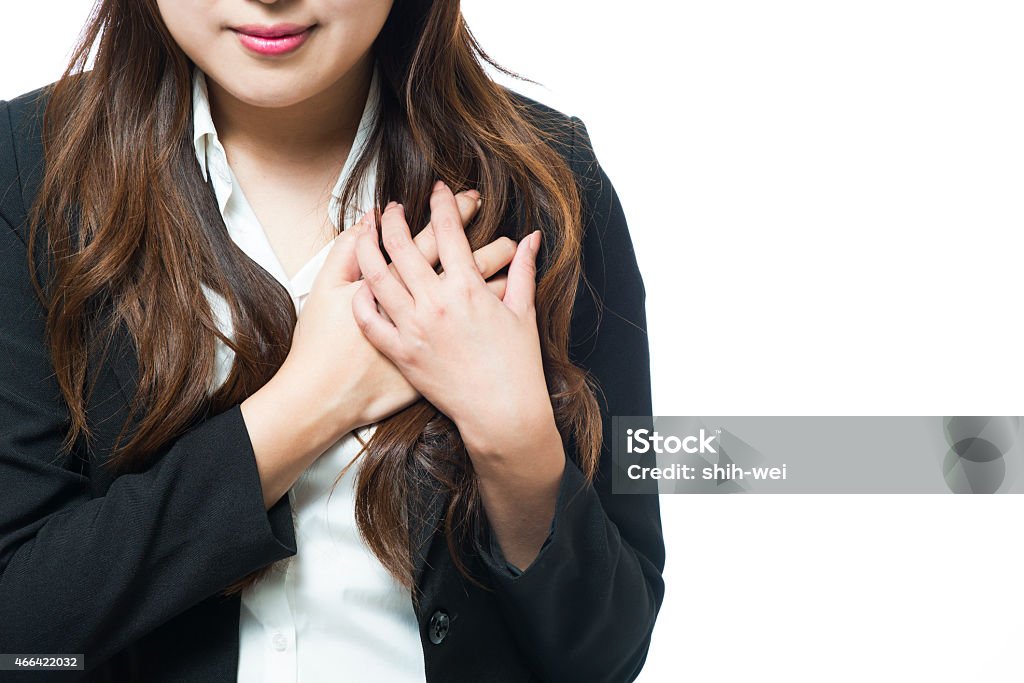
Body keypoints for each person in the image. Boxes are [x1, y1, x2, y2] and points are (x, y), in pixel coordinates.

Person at [0, 1, 664, 681]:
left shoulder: (551, 179)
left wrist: (514, 440)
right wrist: (306, 405)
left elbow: (607, 654)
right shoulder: (24, 173)